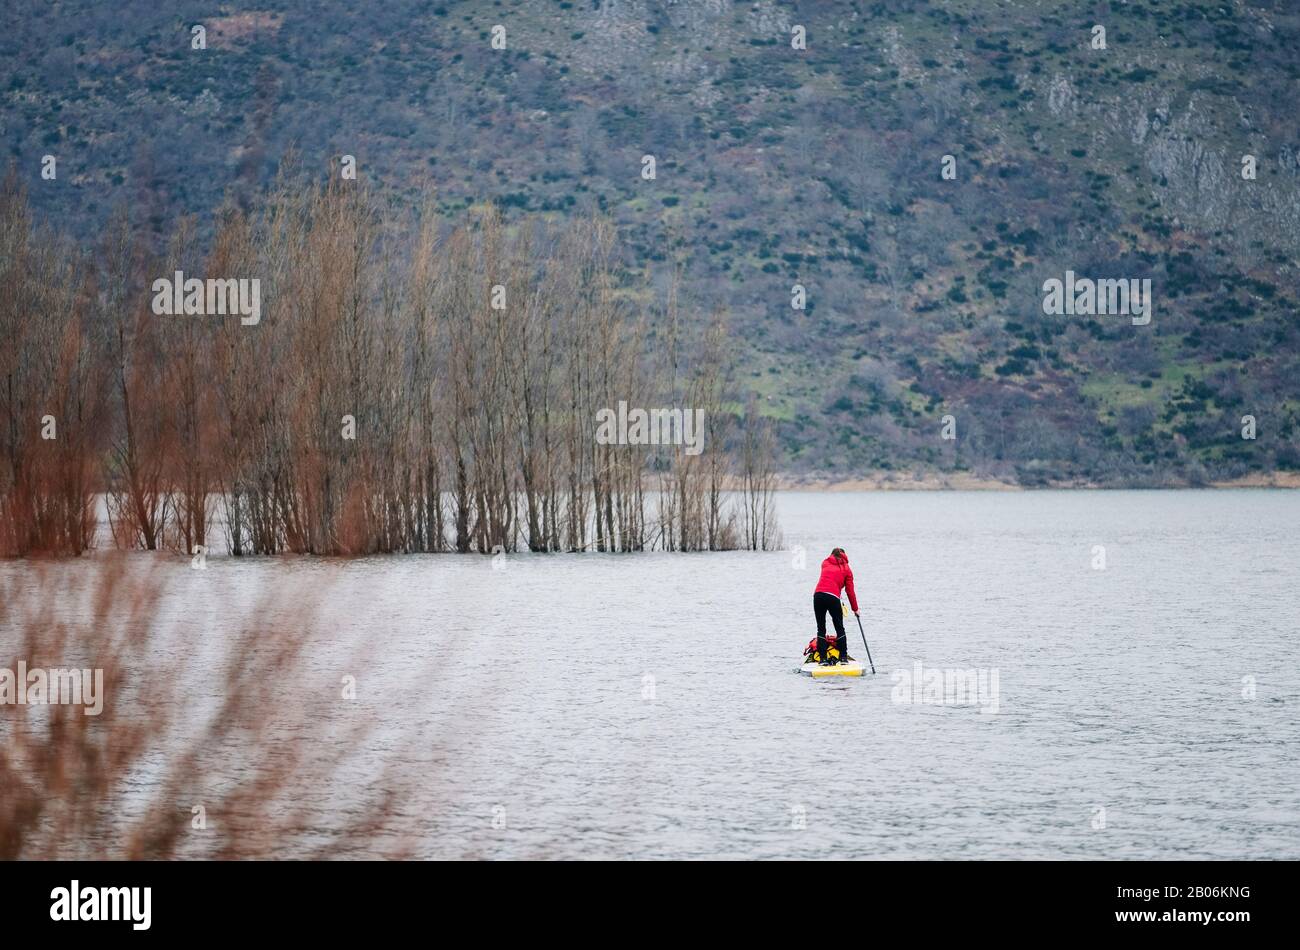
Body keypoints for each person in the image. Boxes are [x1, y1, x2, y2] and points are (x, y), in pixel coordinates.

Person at [813, 547, 858, 665]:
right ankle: (843, 658)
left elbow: (830, 577)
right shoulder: (847, 569)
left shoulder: (825, 563)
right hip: (833, 597)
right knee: (839, 627)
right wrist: (855, 609)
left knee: (821, 628)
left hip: (818, 596)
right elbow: (850, 591)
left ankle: (823, 659)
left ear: (832, 554)